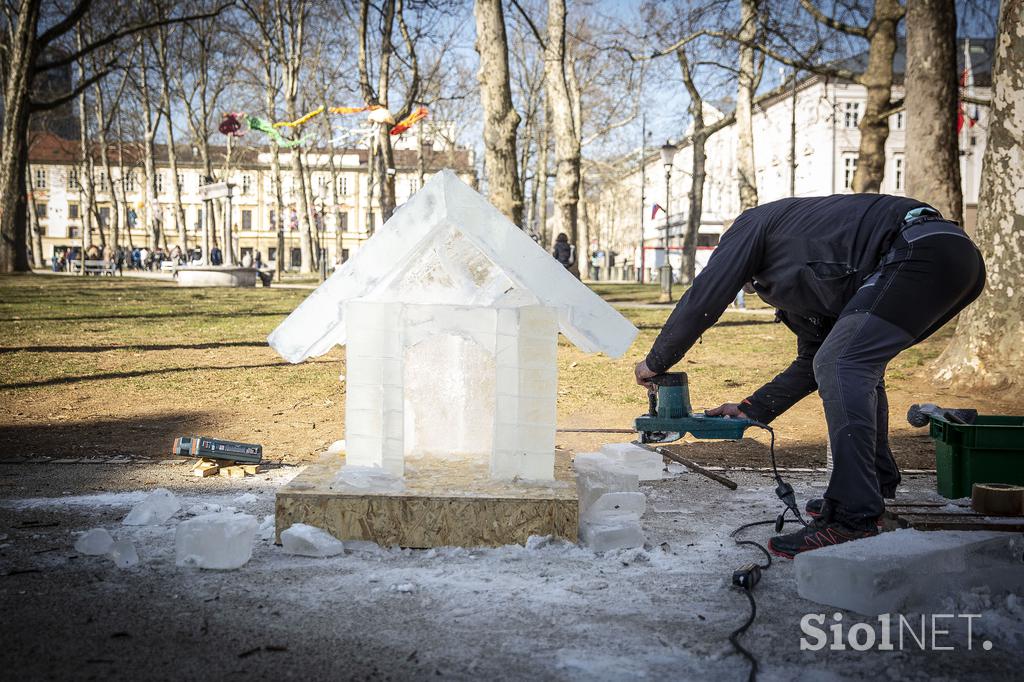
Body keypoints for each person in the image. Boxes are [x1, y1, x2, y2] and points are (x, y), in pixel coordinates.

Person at [634, 195, 985, 558]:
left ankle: (853, 518)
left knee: (845, 363)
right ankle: (871, 488)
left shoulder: (752, 226)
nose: (757, 290)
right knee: (853, 362)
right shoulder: (814, 267)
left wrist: (656, 362)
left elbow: (707, 293)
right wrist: (751, 408)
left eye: (753, 283)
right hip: (954, 260)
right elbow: (813, 359)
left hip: (920, 249)